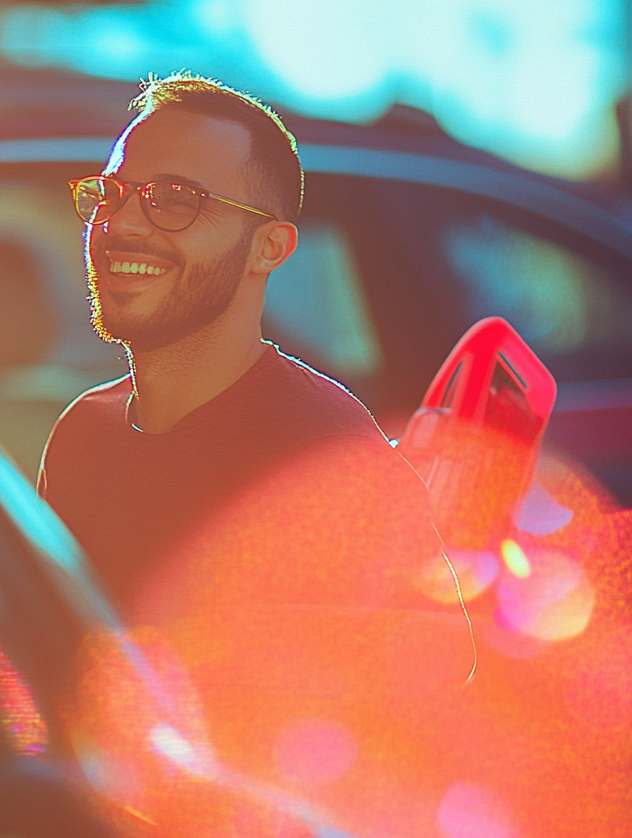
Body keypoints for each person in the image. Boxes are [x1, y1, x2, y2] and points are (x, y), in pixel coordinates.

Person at [37, 72, 441, 609]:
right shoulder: (81, 433)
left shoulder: (325, 459)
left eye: (176, 199)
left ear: (269, 247)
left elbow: (429, 679)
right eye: (111, 193)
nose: (123, 223)